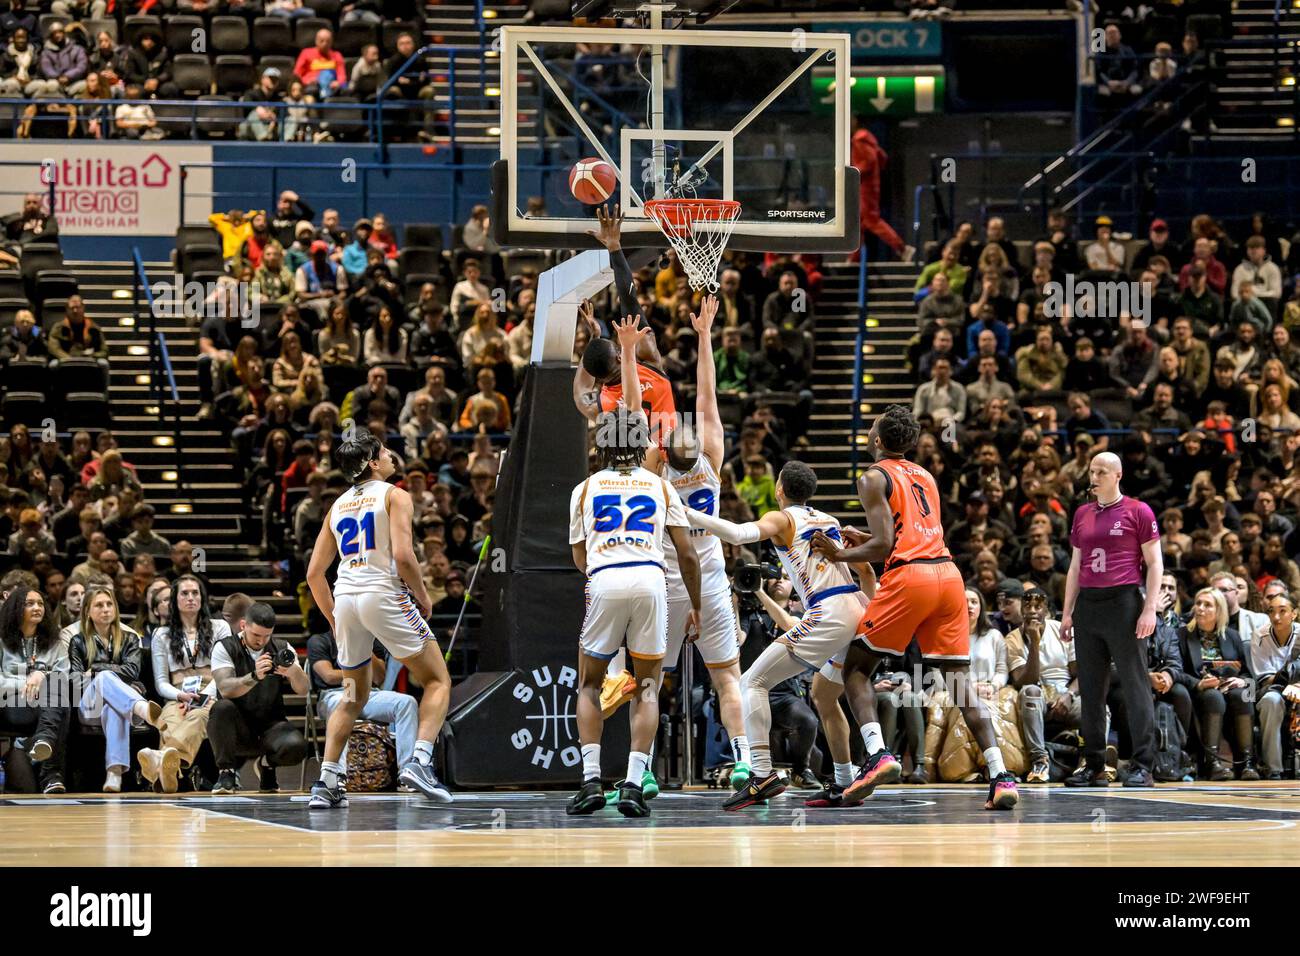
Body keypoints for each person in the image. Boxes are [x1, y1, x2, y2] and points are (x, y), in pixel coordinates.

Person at [811, 404, 1019, 811]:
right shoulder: (925, 475)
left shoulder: (872, 476)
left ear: (877, 440)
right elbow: (907, 532)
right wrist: (865, 537)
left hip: (911, 578)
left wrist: (837, 554)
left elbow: (886, 546)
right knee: (960, 685)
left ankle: (877, 755)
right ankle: (1001, 777)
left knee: (855, 670)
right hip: (948, 576)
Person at [565, 320, 701, 819]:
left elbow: (579, 556)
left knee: (588, 684)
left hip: (604, 577)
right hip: (651, 578)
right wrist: (700, 606)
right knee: (646, 686)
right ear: (640, 443)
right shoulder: (660, 485)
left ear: (601, 446)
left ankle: (589, 781)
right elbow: (685, 555)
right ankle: (631, 781)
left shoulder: (585, 488)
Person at [678, 456, 869, 810]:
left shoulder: (782, 518)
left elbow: (737, 534)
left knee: (751, 682)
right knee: (824, 695)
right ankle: (844, 780)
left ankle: (762, 775)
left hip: (828, 611)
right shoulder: (830, 519)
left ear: (779, 489)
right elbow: (863, 566)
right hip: (857, 607)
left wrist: (684, 513)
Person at [305, 429, 455, 807]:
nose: (390, 456)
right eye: (385, 451)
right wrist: (422, 596)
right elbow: (404, 556)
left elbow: (313, 574)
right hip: (382, 593)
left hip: (347, 599)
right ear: (373, 461)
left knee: (354, 695)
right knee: (437, 679)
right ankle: (419, 761)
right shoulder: (395, 495)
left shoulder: (336, 506)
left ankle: (326, 781)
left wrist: (336, 620)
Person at [655, 297, 752, 792]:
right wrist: (705, 335)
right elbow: (706, 396)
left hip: (668, 578)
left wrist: (632, 355)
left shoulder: (653, 467)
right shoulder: (710, 458)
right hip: (708, 575)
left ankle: (638, 770)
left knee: (648, 680)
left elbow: (634, 409)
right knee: (727, 676)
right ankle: (743, 761)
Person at [1059, 451, 1162, 787]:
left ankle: (1144, 765)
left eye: (1102, 471)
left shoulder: (1138, 511)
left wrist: (1149, 609)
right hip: (1089, 605)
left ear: (1118, 475)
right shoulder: (1082, 514)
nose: (1095, 476)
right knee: (1090, 689)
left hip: (1124, 602)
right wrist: (1067, 613)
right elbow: (1075, 566)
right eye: (1092, 470)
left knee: (1135, 686)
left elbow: (1155, 563)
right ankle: (1095, 766)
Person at [68, 585, 164, 792]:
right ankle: (142, 710)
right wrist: (98, 673)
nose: (105, 609)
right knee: (104, 678)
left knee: (113, 708)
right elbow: (75, 680)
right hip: (88, 705)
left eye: (109, 604)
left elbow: (132, 670)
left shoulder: (129, 638)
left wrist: (92, 670)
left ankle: (114, 774)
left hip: (119, 707)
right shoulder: (77, 641)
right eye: (99, 605)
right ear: (88, 611)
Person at [207, 602, 310, 794]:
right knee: (221, 708)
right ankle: (226, 772)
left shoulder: (282, 647)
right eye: (256, 635)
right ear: (243, 625)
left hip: (271, 724)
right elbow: (225, 688)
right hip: (237, 728)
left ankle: (267, 765)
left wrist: (294, 672)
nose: (261, 641)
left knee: (299, 747)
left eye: (266, 636)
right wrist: (254, 676)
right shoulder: (225, 647)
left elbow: (303, 690)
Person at [140, 574, 229, 792]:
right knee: (168, 720)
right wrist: (181, 696)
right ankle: (169, 776)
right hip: (177, 695)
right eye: (184, 593)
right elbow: (161, 682)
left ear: (202, 598)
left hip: (212, 691)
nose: (191, 598)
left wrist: (203, 696)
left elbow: (225, 671)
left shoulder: (220, 627)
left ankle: (160, 764)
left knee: (198, 715)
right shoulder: (162, 634)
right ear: (175, 600)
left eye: (195, 593)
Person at [307, 629, 420, 775]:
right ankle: (337, 775)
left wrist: (364, 646)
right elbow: (328, 676)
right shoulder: (319, 640)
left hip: (367, 692)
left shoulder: (372, 641)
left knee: (407, 703)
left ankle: (407, 772)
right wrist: (358, 673)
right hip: (334, 694)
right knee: (339, 704)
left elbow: (379, 678)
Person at [1174, 588, 1256, 780]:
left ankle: (1247, 763)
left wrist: (1241, 680)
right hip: (1198, 690)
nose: (1200, 608)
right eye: (1198, 603)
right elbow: (1176, 672)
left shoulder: (1232, 636)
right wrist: (1199, 684)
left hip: (1229, 688)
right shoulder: (1182, 635)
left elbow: (1249, 676)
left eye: (1207, 605)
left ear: (1219, 611)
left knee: (1243, 695)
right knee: (1213, 697)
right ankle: (1211, 763)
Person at [0, 587, 71, 793]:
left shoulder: (55, 642)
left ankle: (41, 742)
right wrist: (25, 682)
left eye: (40, 603)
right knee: (61, 703)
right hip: (13, 705)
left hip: (47, 705)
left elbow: (64, 676)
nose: (37, 607)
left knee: (58, 685)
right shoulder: (2, 641)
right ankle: (51, 773)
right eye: (29, 603)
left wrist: (42, 676)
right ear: (15, 609)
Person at [1254, 592, 1300, 779]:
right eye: (1271, 611)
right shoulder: (1260, 635)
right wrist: (1289, 681)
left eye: (1283, 611)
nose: (1276, 617)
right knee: (1270, 702)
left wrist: (1297, 685)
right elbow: (1265, 678)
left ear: (1294, 614)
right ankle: (1274, 768)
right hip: (1273, 689)